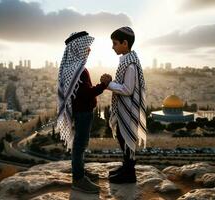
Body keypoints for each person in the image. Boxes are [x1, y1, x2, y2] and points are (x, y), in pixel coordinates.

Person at [57, 31, 112, 193]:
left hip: (79, 111)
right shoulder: (78, 69)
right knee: (80, 145)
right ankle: (79, 179)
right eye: (86, 47)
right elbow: (86, 93)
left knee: (80, 145)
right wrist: (103, 84)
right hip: (83, 112)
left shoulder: (70, 67)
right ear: (77, 48)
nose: (89, 50)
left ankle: (80, 171)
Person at [102, 26, 147, 184]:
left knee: (126, 139)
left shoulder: (131, 65)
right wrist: (111, 84)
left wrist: (108, 84)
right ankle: (126, 168)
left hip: (128, 110)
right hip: (123, 109)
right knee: (122, 139)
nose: (112, 46)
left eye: (115, 43)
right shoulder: (126, 61)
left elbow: (127, 89)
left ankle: (129, 173)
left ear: (125, 43)